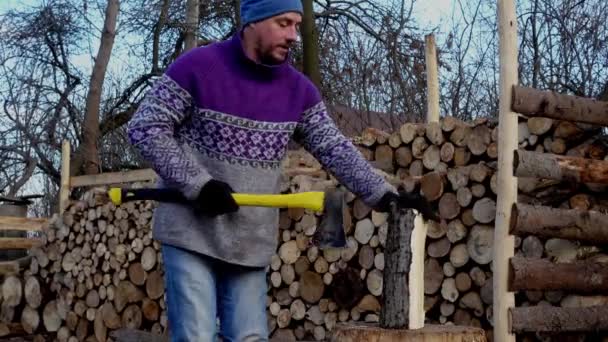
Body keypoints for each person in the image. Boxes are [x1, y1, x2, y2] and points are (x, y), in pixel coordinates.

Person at [126, 0, 436, 340]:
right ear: (252, 21)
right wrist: (198, 184)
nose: (293, 36)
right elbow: (146, 127)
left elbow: (334, 148)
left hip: (250, 240)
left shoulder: (298, 92)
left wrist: (385, 194)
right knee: (196, 336)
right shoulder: (198, 67)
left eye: (296, 25)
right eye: (283, 23)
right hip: (191, 233)